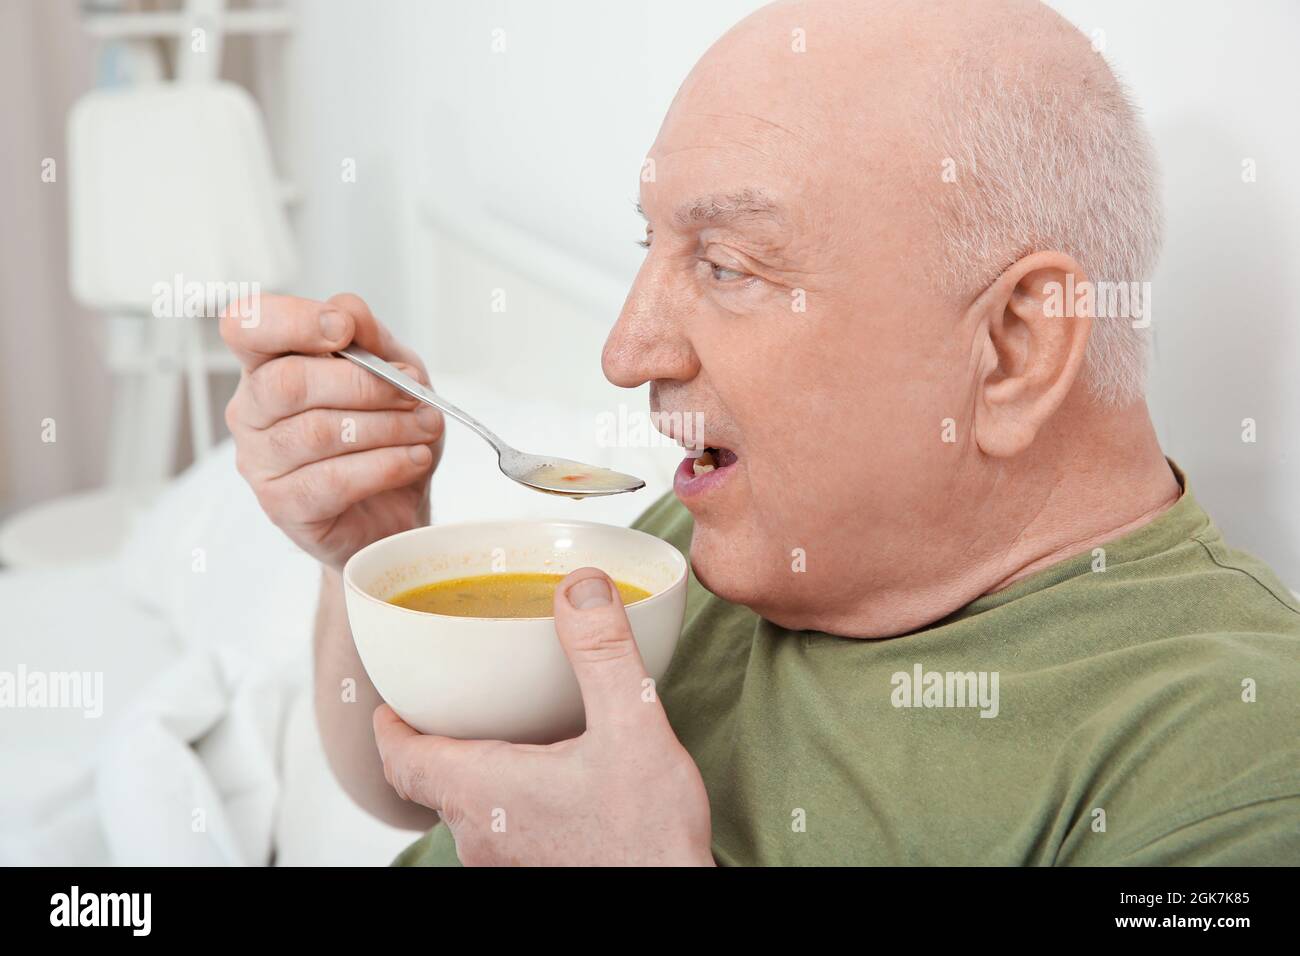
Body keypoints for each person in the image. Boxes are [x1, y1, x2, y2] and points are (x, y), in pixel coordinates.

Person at [219, 0, 1300, 865]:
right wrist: (366, 553)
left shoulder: (1233, 750)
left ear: (1016, 344)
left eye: (726, 266)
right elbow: (414, 790)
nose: (626, 350)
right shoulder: (702, 537)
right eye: (651, 248)